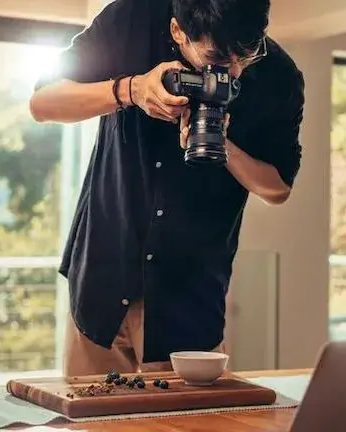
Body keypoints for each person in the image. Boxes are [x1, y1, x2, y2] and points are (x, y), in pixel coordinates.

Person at [29, 0, 305, 376]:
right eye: (217, 61)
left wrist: (224, 147)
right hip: (102, 284)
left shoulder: (278, 74)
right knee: (89, 420)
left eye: (246, 55)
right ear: (178, 31)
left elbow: (278, 188)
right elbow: (42, 103)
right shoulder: (131, 19)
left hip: (189, 298)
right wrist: (131, 90)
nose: (233, 72)